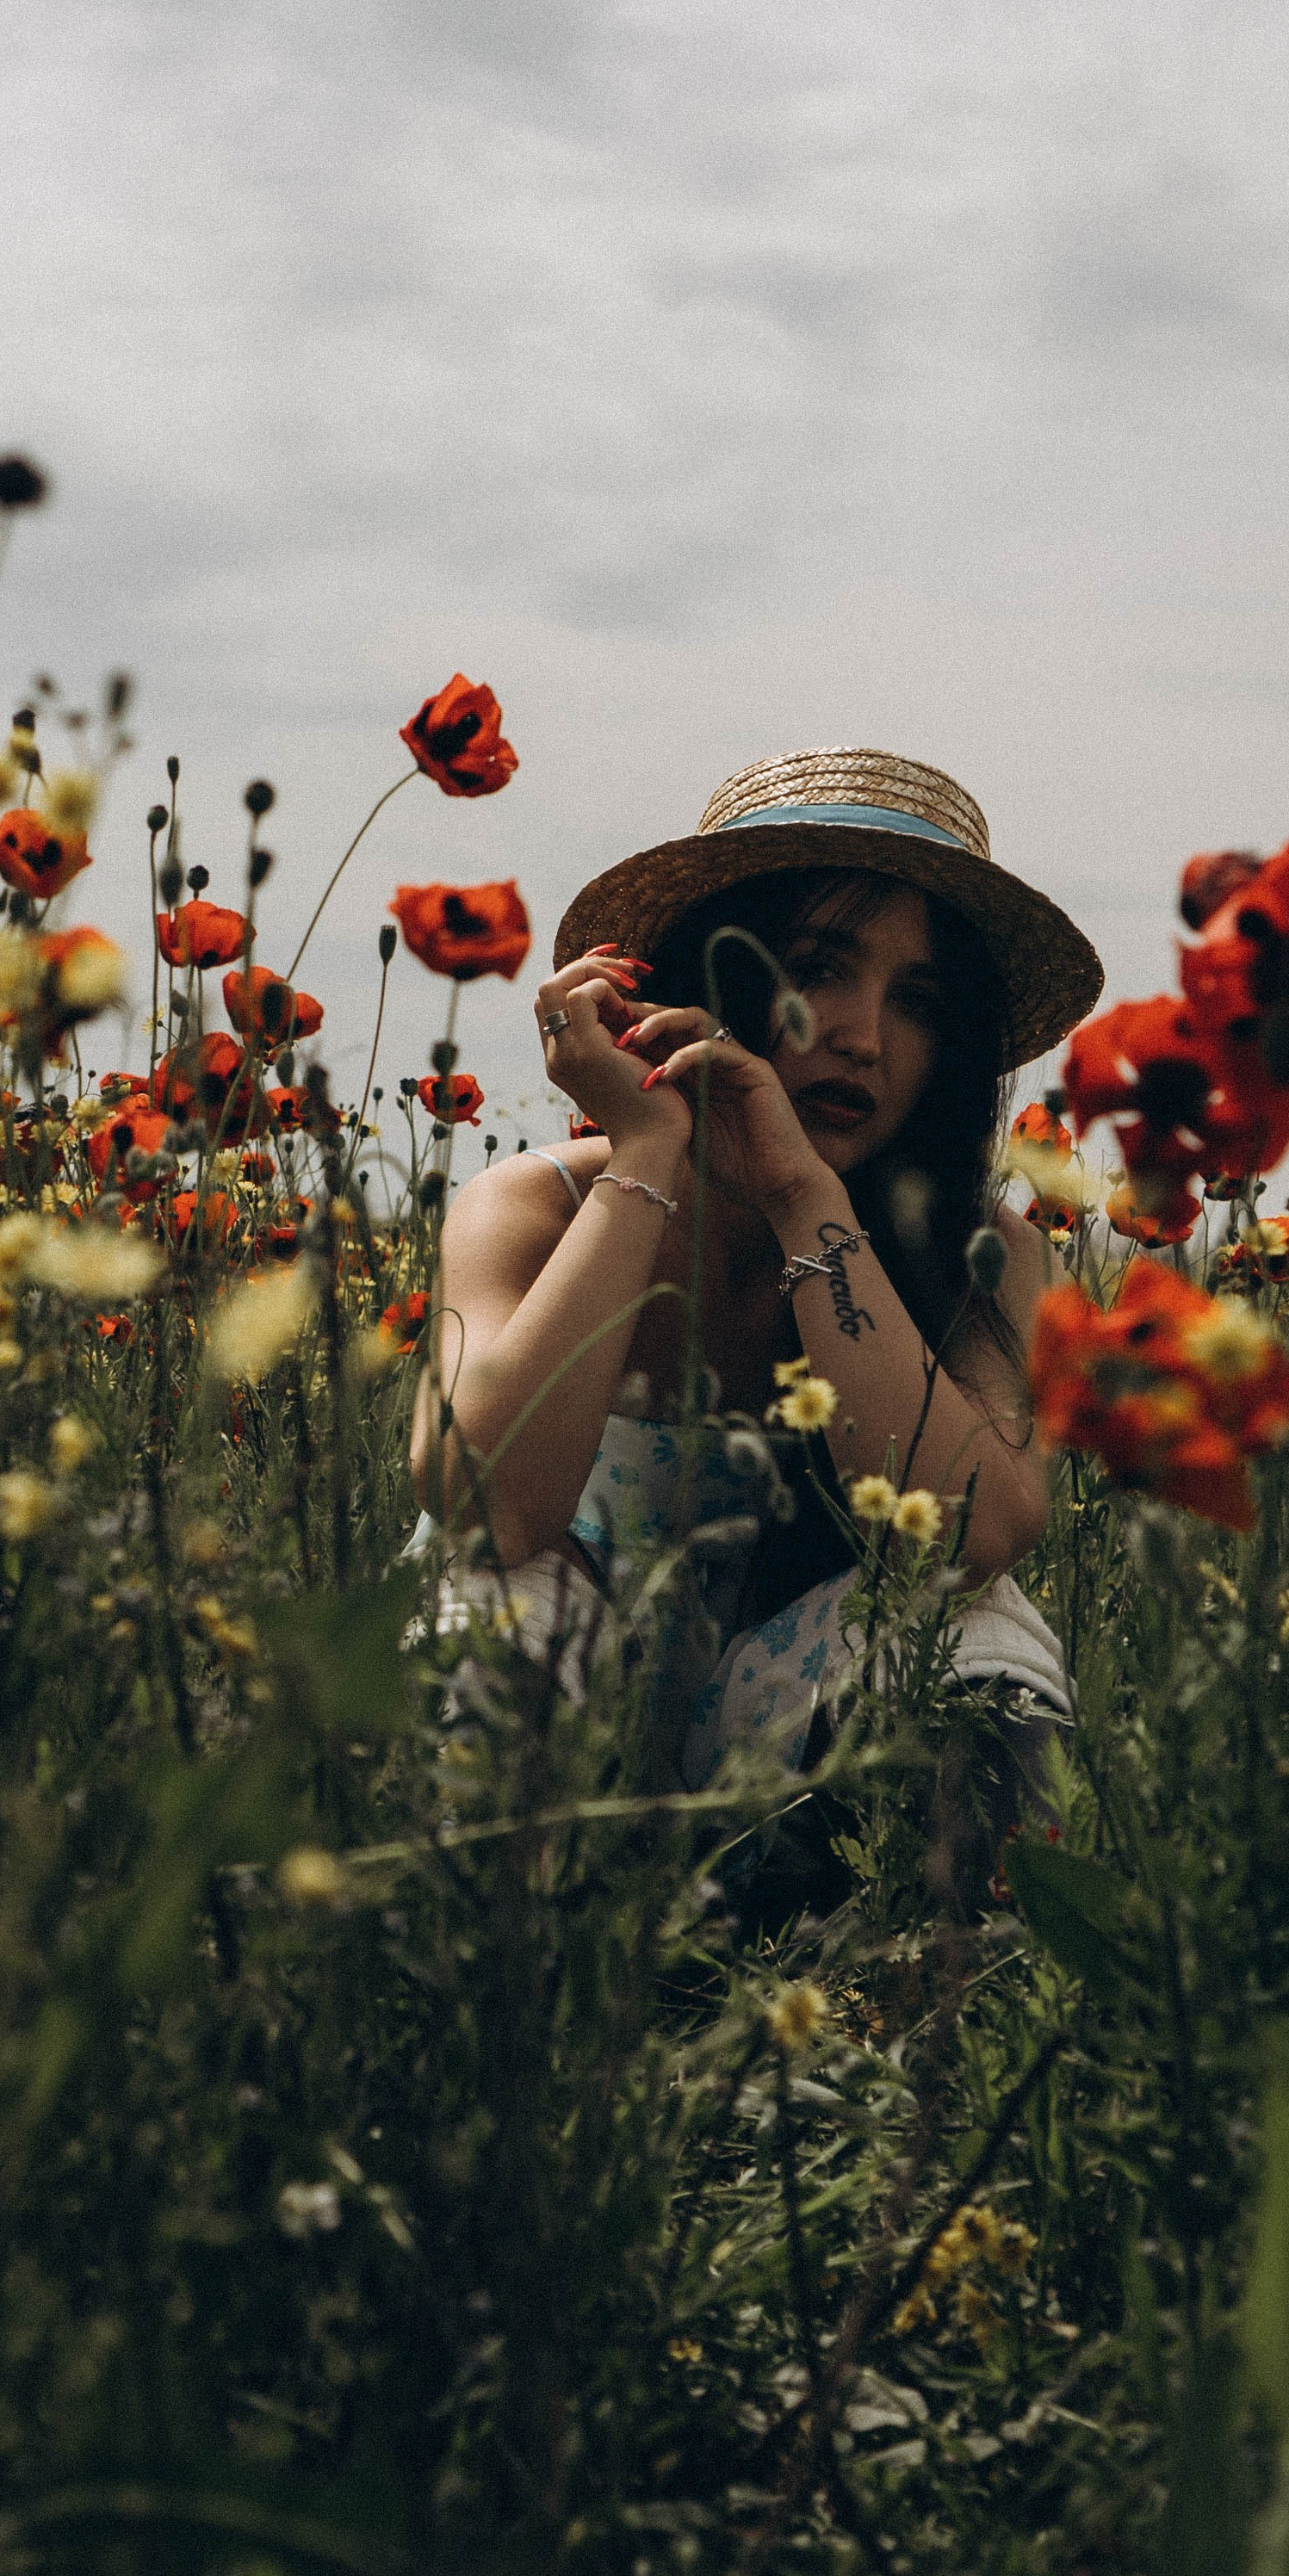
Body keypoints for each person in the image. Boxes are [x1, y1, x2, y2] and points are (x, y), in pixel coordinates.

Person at [411, 747, 1104, 1827]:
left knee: (976, 1628)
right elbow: (493, 1509)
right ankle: (481, 1981)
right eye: (818, 966)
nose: (862, 1037)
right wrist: (644, 1148)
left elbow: (975, 1536)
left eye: (916, 1000)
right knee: (491, 1600)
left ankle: (926, 1986)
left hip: (794, 1785)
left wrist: (799, 1195)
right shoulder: (533, 1210)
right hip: (551, 1782)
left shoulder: (988, 1258)